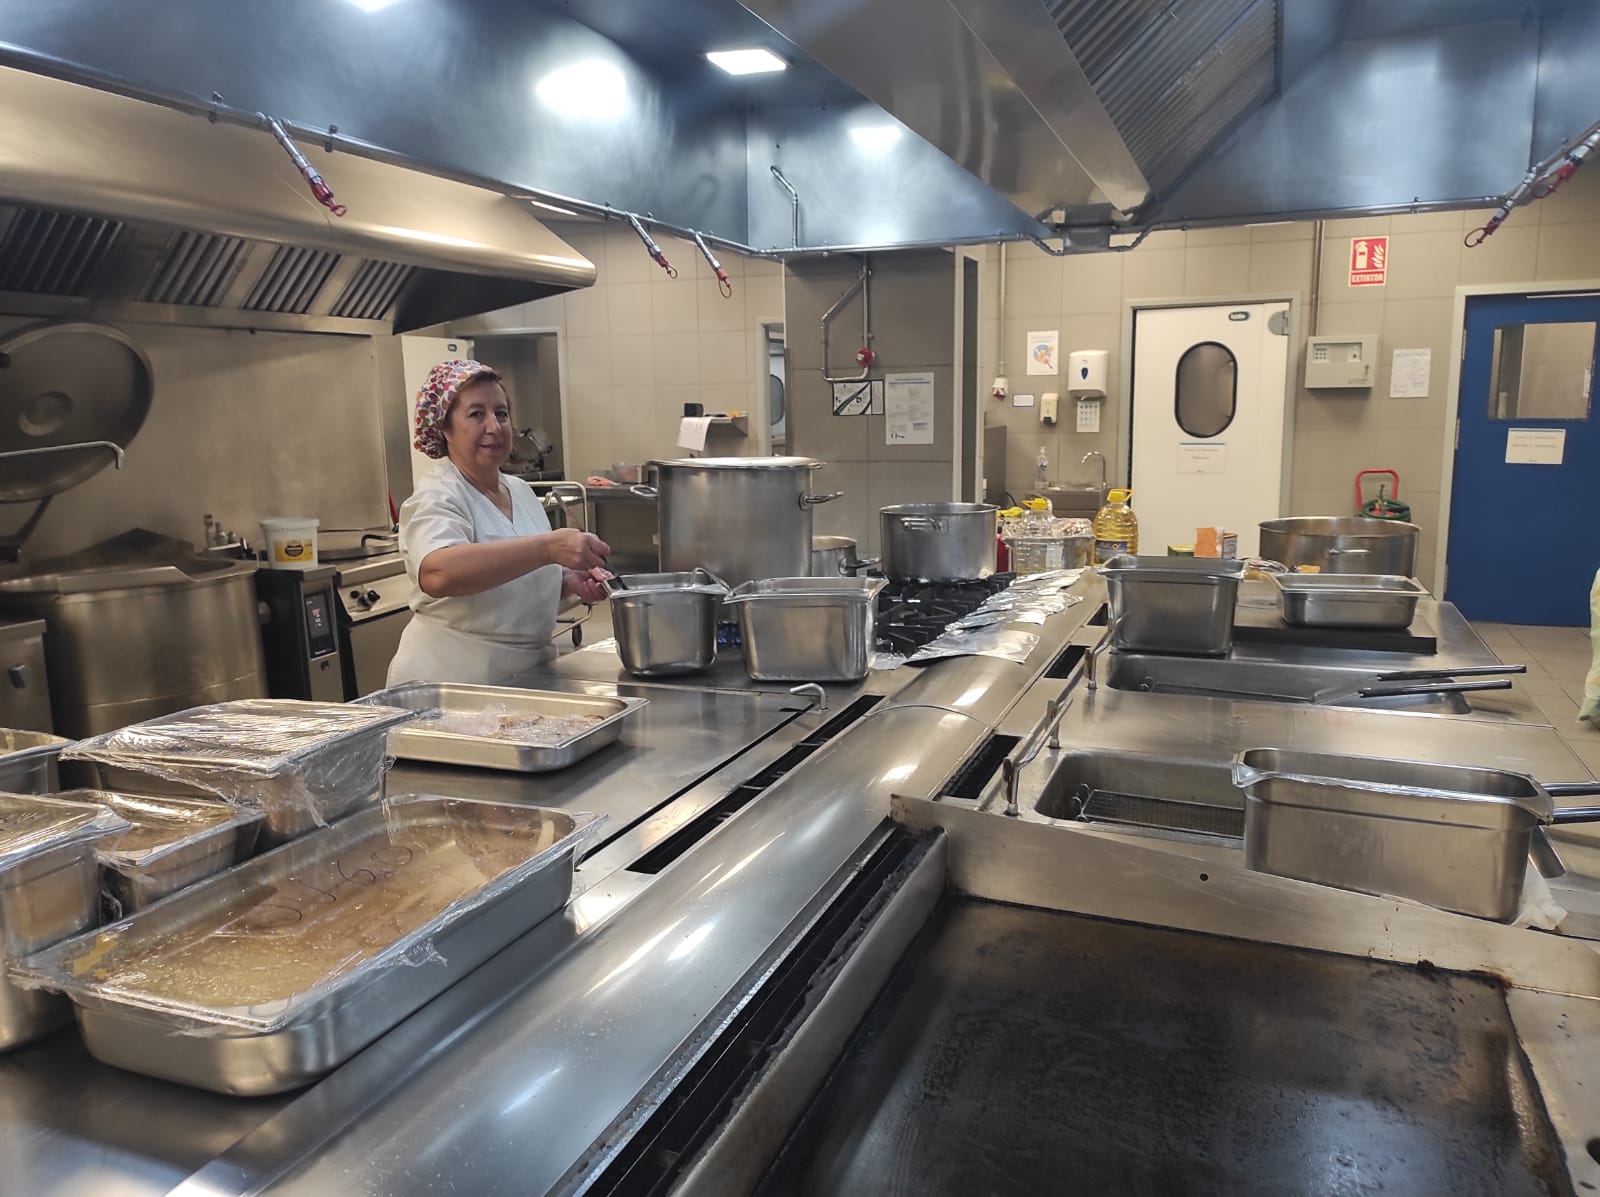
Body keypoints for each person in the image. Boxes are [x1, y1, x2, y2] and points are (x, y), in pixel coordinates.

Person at [387, 360, 611, 686]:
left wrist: (566, 582)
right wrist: (548, 548)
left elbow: (515, 580)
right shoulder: (438, 494)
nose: (494, 426)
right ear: (444, 429)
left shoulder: (519, 491)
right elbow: (438, 572)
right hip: (453, 682)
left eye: (501, 414)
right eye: (476, 414)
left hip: (529, 675)